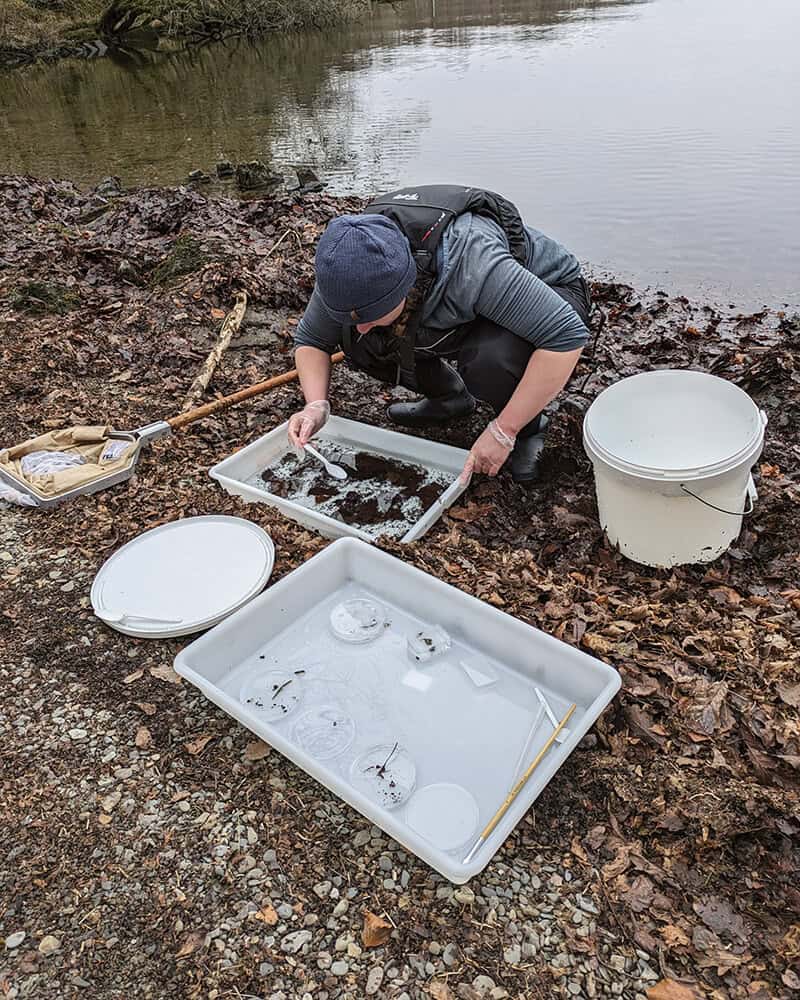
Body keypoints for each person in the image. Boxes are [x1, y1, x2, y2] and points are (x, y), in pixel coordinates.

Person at [287, 184, 591, 483]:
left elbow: (565, 337)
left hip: (549, 293)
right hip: (462, 304)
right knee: (359, 339)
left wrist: (504, 430)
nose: (362, 324)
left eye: (370, 314)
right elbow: (312, 339)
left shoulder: (473, 262)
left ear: (403, 286)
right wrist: (315, 406)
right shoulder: (349, 267)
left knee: (490, 359)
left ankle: (529, 429)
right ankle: (450, 398)